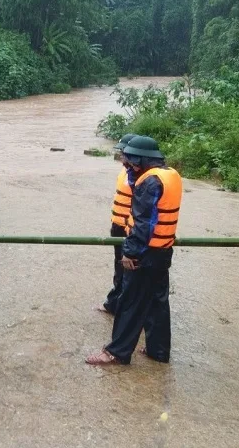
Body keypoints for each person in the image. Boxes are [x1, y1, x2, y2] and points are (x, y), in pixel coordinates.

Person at [86, 135, 182, 366]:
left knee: (130, 302)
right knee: (158, 302)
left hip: (145, 255)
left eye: (129, 161)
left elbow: (143, 224)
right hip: (162, 251)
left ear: (140, 161)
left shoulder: (149, 182)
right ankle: (158, 351)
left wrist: (130, 253)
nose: (127, 165)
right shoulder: (171, 175)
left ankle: (116, 352)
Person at [96, 133, 136, 314]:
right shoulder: (127, 171)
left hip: (129, 229)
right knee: (120, 265)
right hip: (118, 225)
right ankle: (115, 303)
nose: (120, 156)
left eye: (123, 152)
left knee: (128, 268)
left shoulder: (138, 175)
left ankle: (121, 305)